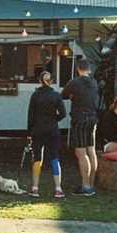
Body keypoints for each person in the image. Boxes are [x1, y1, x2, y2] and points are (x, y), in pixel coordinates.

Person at [61, 59, 99, 197]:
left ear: (78, 69)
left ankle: (86, 186)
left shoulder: (74, 82)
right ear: (89, 69)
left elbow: (63, 95)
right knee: (91, 150)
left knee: (81, 153)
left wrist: (73, 96)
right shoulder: (94, 82)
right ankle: (92, 183)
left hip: (80, 118)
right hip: (93, 117)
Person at [26, 71, 66, 199]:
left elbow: (30, 116)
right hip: (52, 130)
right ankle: (58, 189)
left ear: (39, 81)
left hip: (37, 130)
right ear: (51, 81)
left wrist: (29, 132)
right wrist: (55, 119)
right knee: (54, 157)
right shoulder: (56, 95)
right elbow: (63, 113)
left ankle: (35, 188)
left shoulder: (35, 95)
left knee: (37, 158)